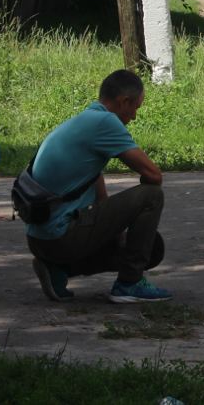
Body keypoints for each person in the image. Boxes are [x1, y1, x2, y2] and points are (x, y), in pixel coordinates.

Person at [25, 70, 169, 303]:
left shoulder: (85, 119)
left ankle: (58, 270)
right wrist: (131, 216)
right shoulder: (105, 122)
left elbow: (94, 177)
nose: (134, 116)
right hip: (62, 237)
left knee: (154, 248)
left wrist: (115, 229)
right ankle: (129, 283)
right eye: (136, 108)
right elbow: (153, 175)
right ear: (124, 101)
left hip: (41, 239)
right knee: (151, 195)